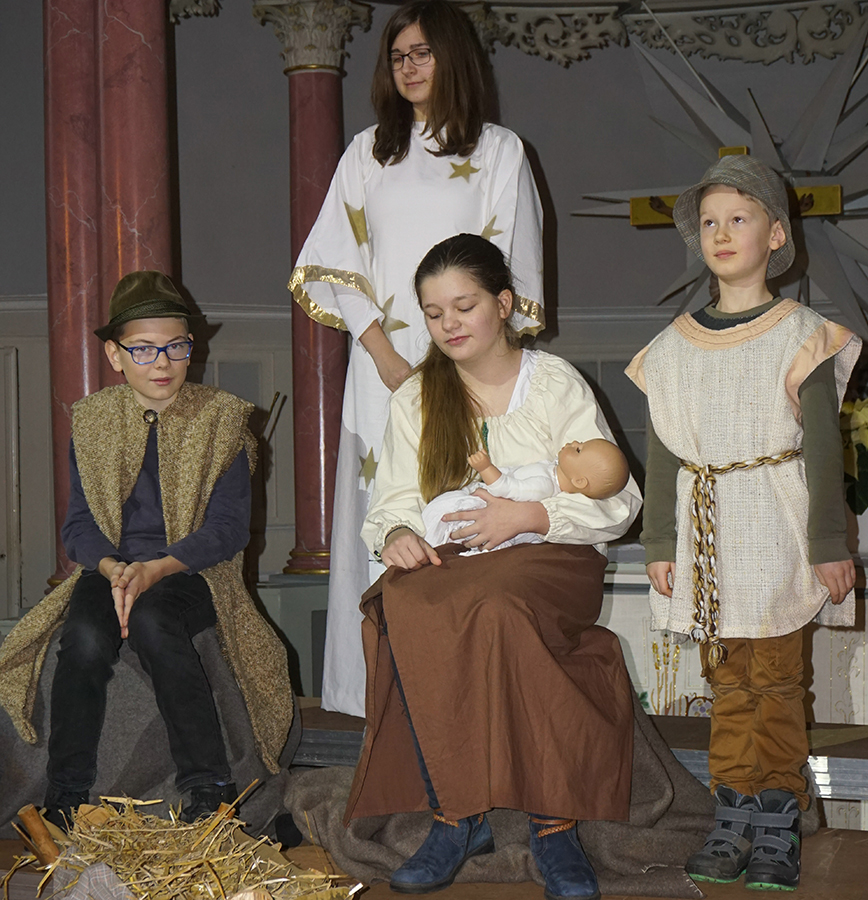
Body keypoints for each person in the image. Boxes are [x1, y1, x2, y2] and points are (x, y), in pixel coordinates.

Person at [345, 234, 642, 900]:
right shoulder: (418, 396)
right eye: (433, 313)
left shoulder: (554, 383)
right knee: (405, 601)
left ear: (503, 304)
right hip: (460, 556)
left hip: (553, 554)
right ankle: (457, 814)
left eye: (464, 306)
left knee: (500, 606)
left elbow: (618, 500)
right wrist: (397, 533)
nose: (448, 324)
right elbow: (393, 499)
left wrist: (530, 516)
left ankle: (553, 824)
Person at [289, 0, 543, 717]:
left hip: (473, 370)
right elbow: (337, 265)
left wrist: (462, 363)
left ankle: (462, 698)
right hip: (382, 371)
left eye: (423, 52)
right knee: (387, 517)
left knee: (466, 515)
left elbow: (509, 272)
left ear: (454, 57)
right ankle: (379, 698)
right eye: (398, 55)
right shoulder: (368, 153)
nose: (408, 66)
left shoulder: (498, 151)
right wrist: (384, 358)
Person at [625, 155, 861, 891]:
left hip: (775, 526)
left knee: (778, 681)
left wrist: (828, 544)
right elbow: (663, 451)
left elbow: (824, 450)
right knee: (726, 681)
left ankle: (778, 816)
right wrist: (659, 540)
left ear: (776, 235)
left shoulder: (803, 334)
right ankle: (732, 813)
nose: (722, 234)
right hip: (707, 534)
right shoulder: (674, 346)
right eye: (709, 223)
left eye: (739, 218)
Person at [0, 271, 295, 828]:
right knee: (84, 638)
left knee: (156, 622)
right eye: (143, 348)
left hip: (193, 572)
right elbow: (79, 525)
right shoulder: (92, 421)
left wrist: (157, 569)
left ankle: (209, 788)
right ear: (115, 355)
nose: (162, 362)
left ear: (191, 347)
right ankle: (66, 793)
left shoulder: (223, 419)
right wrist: (115, 569)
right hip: (112, 570)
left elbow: (228, 530)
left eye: (176, 346)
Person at [422, 438, 629, 551]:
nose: (574, 442)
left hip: (486, 513)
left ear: (580, 482)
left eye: (578, 450)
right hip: (490, 513)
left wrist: (485, 468)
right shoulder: (550, 472)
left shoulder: (544, 486)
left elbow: (505, 488)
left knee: (442, 511)